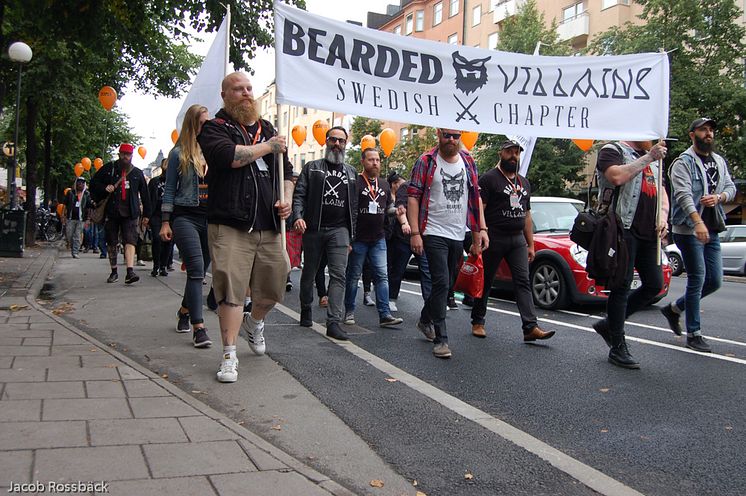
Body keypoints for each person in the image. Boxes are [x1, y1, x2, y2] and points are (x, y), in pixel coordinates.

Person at [198, 72, 292, 383]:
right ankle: (229, 355)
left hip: (268, 224)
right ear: (225, 95)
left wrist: (286, 200)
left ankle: (255, 321)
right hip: (231, 223)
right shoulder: (214, 128)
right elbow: (230, 157)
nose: (247, 94)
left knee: (275, 284)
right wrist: (268, 147)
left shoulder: (268, 129)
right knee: (231, 290)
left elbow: (288, 174)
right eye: (239, 89)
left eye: (250, 88)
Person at [407, 128, 488, 359]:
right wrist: (415, 232)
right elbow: (413, 196)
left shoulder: (469, 161)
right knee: (441, 282)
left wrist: (480, 231)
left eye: (455, 136)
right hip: (432, 230)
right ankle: (441, 339)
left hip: (458, 232)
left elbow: (475, 198)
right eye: (446, 135)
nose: (451, 140)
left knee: (449, 283)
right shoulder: (426, 161)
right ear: (438, 134)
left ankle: (425, 319)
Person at [591, 139, 668, 369]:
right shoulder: (613, 150)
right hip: (622, 228)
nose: (654, 139)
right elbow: (616, 177)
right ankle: (617, 345)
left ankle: (609, 325)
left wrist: (663, 217)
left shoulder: (655, 158)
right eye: (651, 134)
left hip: (649, 233)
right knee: (621, 286)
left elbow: (662, 194)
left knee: (654, 284)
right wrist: (649, 157)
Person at [662, 118, 736, 352]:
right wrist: (697, 222)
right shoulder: (682, 163)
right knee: (697, 278)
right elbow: (683, 196)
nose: (709, 134)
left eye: (711, 130)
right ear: (692, 134)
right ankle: (694, 334)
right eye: (704, 130)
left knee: (715, 280)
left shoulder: (718, 161)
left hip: (712, 228)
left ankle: (674, 308)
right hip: (688, 229)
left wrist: (719, 198)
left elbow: (731, 189)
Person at [471, 140, 555, 342]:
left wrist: (531, 244)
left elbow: (527, 215)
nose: (513, 156)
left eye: (516, 152)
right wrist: (481, 232)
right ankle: (478, 320)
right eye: (509, 152)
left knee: (523, 281)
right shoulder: (489, 179)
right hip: (494, 236)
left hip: (517, 239)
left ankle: (530, 327)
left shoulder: (524, 183)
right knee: (487, 279)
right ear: (501, 153)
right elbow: (479, 208)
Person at [293, 126, 358, 341]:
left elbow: (354, 207)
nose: (337, 144)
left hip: (339, 230)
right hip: (313, 228)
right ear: (326, 141)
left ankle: (333, 322)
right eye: (333, 140)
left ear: (345, 144)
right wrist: (298, 216)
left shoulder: (351, 172)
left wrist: (351, 236)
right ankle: (306, 308)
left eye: (341, 141)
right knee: (310, 272)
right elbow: (299, 195)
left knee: (339, 274)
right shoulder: (312, 168)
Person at [160, 104, 213, 349]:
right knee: (196, 269)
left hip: (210, 218)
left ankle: (184, 310)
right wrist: (165, 221)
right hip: (185, 217)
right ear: (193, 124)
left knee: (200, 271)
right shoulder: (178, 153)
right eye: (204, 123)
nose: (208, 126)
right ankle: (198, 328)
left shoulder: (214, 151)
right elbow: (170, 189)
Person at [343, 148, 403, 328]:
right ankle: (349, 312)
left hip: (378, 238)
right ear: (363, 161)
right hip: (358, 238)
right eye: (371, 160)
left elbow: (388, 209)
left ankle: (385, 314)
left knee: (382, 276)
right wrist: (348, 239)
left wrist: (396, 211)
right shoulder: (354, 183)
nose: (375, 163)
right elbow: (347, 210)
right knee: (353, 276)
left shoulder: (384, 184)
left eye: (377, 160)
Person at [90, 143, 151, 284]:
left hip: (130, 212)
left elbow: (145, 195)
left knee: (130, 240)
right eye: (123, 154)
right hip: (112, 211)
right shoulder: (109, 169)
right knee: (112, 242)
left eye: (128, 154)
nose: (125, 157)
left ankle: (130, 271)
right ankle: (114, 271)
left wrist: (147, 214)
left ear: (132, 156)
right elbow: (93, 183)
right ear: (119, 154)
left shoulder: (137, 173)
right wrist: (105, 188)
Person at [387, 173, 432, 311]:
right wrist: (405, 224)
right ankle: (391, 298)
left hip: (422, 238)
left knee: (426, 270)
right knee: (398, 269)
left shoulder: (429, 188)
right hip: (404, 237)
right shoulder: (406, 186)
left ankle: (429, 304)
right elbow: (401, 208)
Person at [149, 158, 172, 277]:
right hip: (156, 214)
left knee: (168, 241)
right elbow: (148, 199)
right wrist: (147, 215)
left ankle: (164, 265)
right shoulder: (154, 181)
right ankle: (156, 265)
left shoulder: (174, 181)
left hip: (170, 214)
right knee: (157, 240)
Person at [63, 177, 91, 259]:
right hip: (70, 217)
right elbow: (65, 205)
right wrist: (63, 215)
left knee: (77, 235)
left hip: (81, 219)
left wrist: (88, 219)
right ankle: (72, 247)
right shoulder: (70, 193)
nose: (80, 184)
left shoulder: (86, 194)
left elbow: (89, 207)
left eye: (82, 183)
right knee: (69, 234)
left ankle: (75, 251)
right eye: (79, 182)